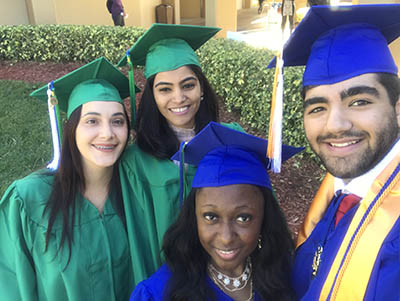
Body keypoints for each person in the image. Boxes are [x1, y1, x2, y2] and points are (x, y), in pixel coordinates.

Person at [271, 4, 400, 300]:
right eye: (318, 107)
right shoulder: (340, 192)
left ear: (398, 108)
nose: (335, 125)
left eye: (359, 101)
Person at [116, 24, 244, 286]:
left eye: (188, 85)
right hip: (172, 282)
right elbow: (140, 240)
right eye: (164, 89)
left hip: (230, 277)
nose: (178, 98)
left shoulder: (231, 140)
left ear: (202, 88)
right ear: (152, 95)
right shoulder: (137, 161)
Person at [0, 57, 136, 300]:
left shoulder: (135, 192)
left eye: (117, 121)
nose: (107, 133)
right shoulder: (28, 200)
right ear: (71, 129)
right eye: (92, 121)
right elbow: (10, 284)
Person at [131, 122, 302, 300]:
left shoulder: (287, 276)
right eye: (210, 217)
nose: (226, 237)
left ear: (264, 217)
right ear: (194, 217)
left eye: (243, 218)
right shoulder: (158, 293)